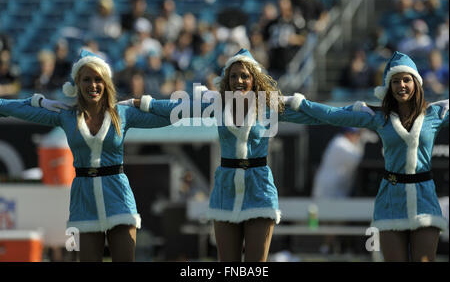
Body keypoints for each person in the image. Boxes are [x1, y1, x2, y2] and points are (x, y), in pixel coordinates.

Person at [117, 48, 376, 261]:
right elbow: (176, 108)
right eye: (234, 76)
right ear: (227, 81)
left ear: (254, 79)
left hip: (259, 187)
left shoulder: (269, 105)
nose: (239, 81)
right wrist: (138, 103)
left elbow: (314, 112)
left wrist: (352, 112)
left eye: (245, 76)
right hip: (226, 187)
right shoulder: (216, 105)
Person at [0, 49, 172, 262]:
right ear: (76, 84)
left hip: (118, 195)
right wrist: (37, 102)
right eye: (86, 80)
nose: (93, 85)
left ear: (106, 82)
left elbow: (173, 114)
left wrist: (145, 103)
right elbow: (16, 109)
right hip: (83, 200)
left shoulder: (123, 114)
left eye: (98, 79)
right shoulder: (66, 116)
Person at [294, 51, 449, 262]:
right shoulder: (378, 117)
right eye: (395, 81)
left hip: (425, 200)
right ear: (388, 86)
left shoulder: (435, 114)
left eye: (406, 80)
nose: (401, 85)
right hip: (390, 200)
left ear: (416, 83)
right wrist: (295, 104)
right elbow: (331, 115)